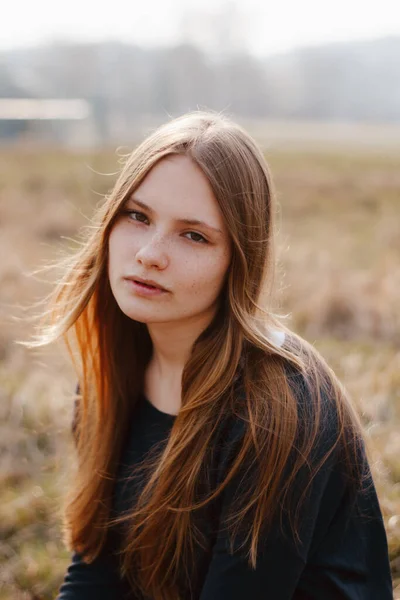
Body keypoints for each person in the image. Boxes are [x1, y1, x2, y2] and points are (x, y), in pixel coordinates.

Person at [25, 110, 393, 599]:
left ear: (238, 261)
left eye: (193, 235)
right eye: (138, 216)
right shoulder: (115, 371)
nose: (150, 253)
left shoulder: (278, 413)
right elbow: (97, 569)